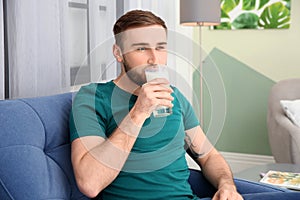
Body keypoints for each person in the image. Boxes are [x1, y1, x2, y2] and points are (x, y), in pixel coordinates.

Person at [69, 10, 299, 200]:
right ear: (118, 53)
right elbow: (89, 183)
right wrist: (139, 113)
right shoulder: (92, 97)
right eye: (141, 48)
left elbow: (208, 156)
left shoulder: (174, 96)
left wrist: (227, 185)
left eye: (160, 47)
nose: (154, 58)